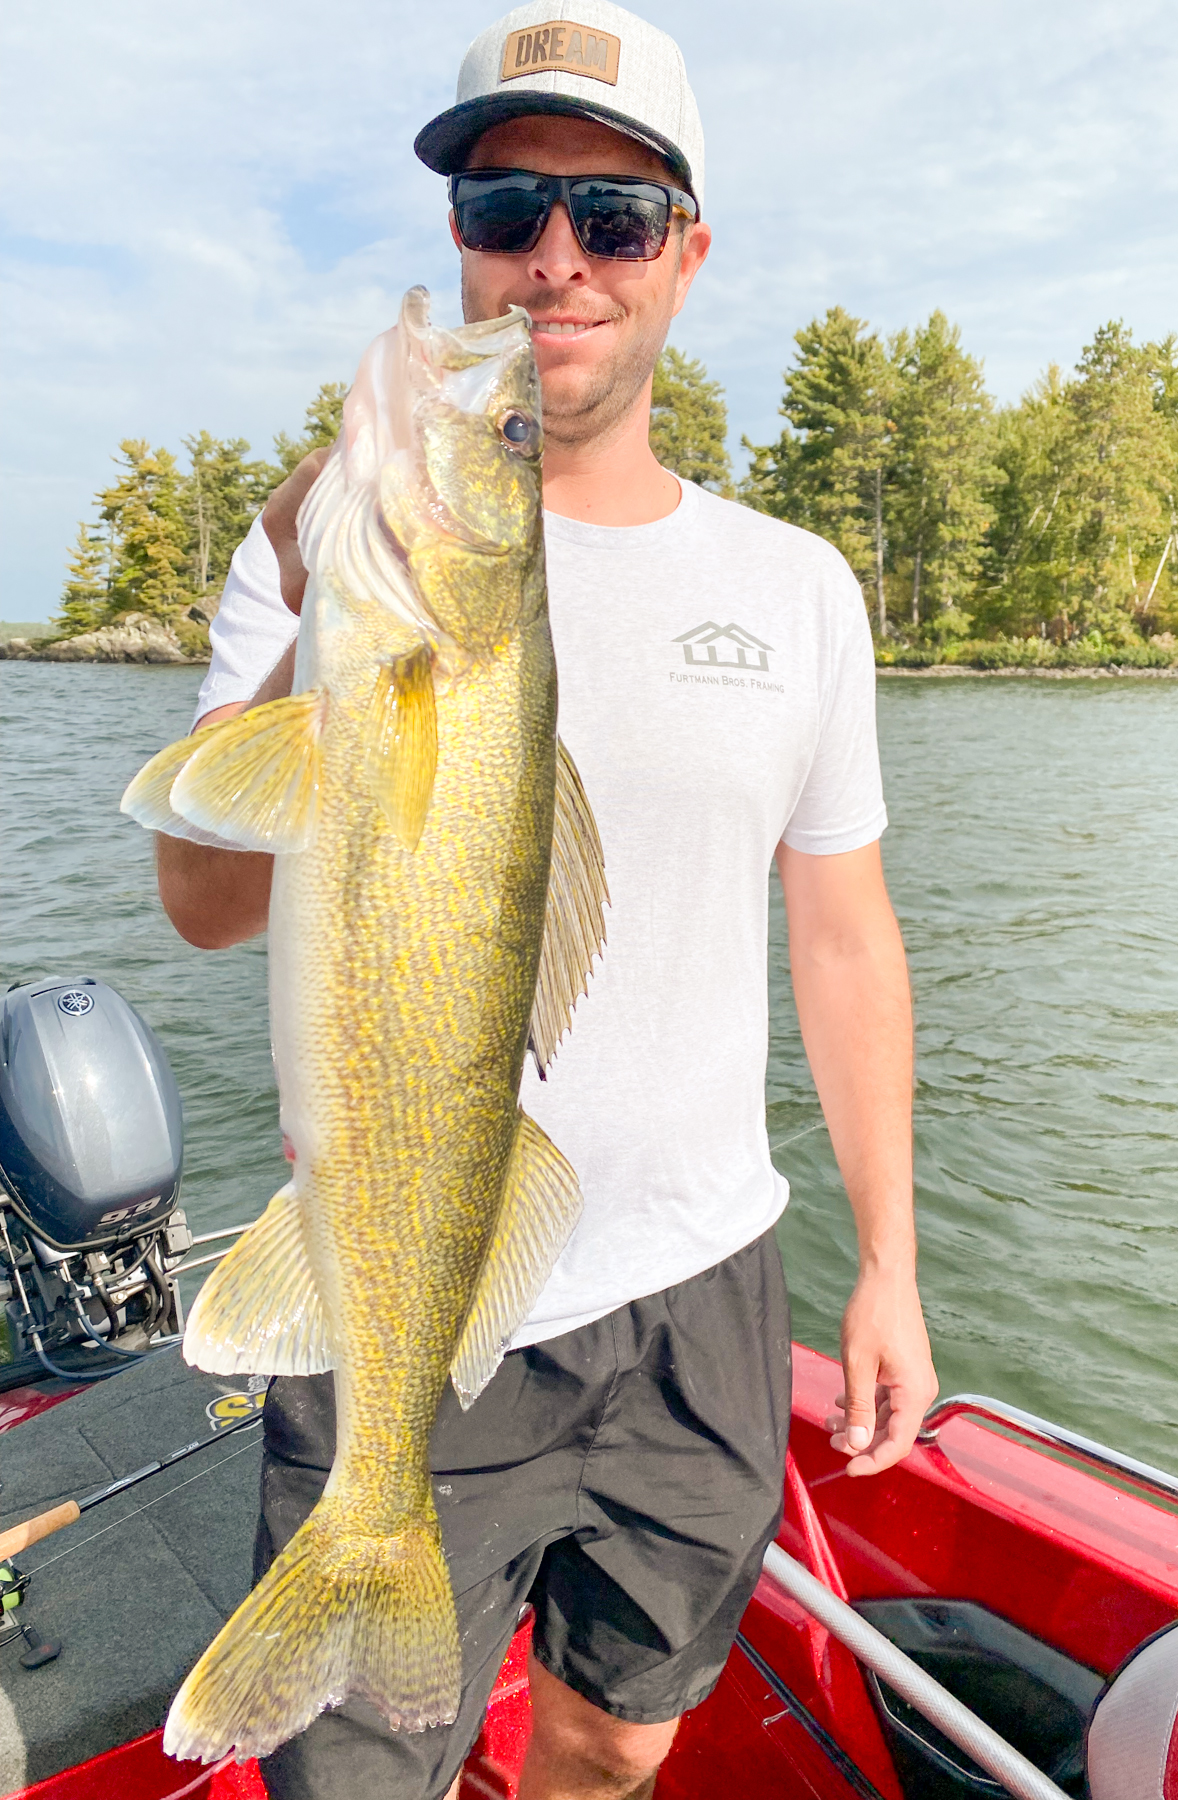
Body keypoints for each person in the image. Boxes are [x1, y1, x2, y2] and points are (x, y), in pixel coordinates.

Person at [158, 4, 937, 1796]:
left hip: (704, 1293)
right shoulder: (308, 562)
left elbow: (841, 935)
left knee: (609, 1748)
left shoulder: (798, 587)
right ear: (458, 243)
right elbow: (204, 904)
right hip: (404, 1293)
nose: (552, 265)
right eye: (505, 210)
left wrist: (885, 1266)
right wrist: (298, 584)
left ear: (686, 253)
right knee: (357, 1776)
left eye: (613, 216)